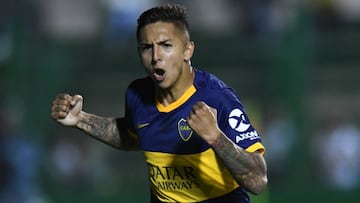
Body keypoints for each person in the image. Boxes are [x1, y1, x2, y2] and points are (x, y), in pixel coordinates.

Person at [50, 3, 267, 203]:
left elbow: (258, 181)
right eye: (147, 47)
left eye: (166, 45)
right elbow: (131, 135)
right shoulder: (137, 94)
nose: (156, 56)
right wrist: (80, 119)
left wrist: (216, 138)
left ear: (187, 50)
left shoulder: (217, 99)